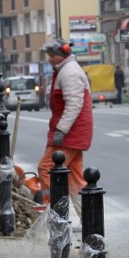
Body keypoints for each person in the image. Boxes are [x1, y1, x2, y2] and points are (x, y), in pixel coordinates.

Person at [38, 38, 93, 214]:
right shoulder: (65, 70)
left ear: (61, 55)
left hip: (70, 133)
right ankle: (89, 218)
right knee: (75, 179)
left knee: (46, 167)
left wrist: (61, 130)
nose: (48, 58)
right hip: (75, 131)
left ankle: (53, 211)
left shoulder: (69, 73)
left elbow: (74, 104)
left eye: (51, 55)